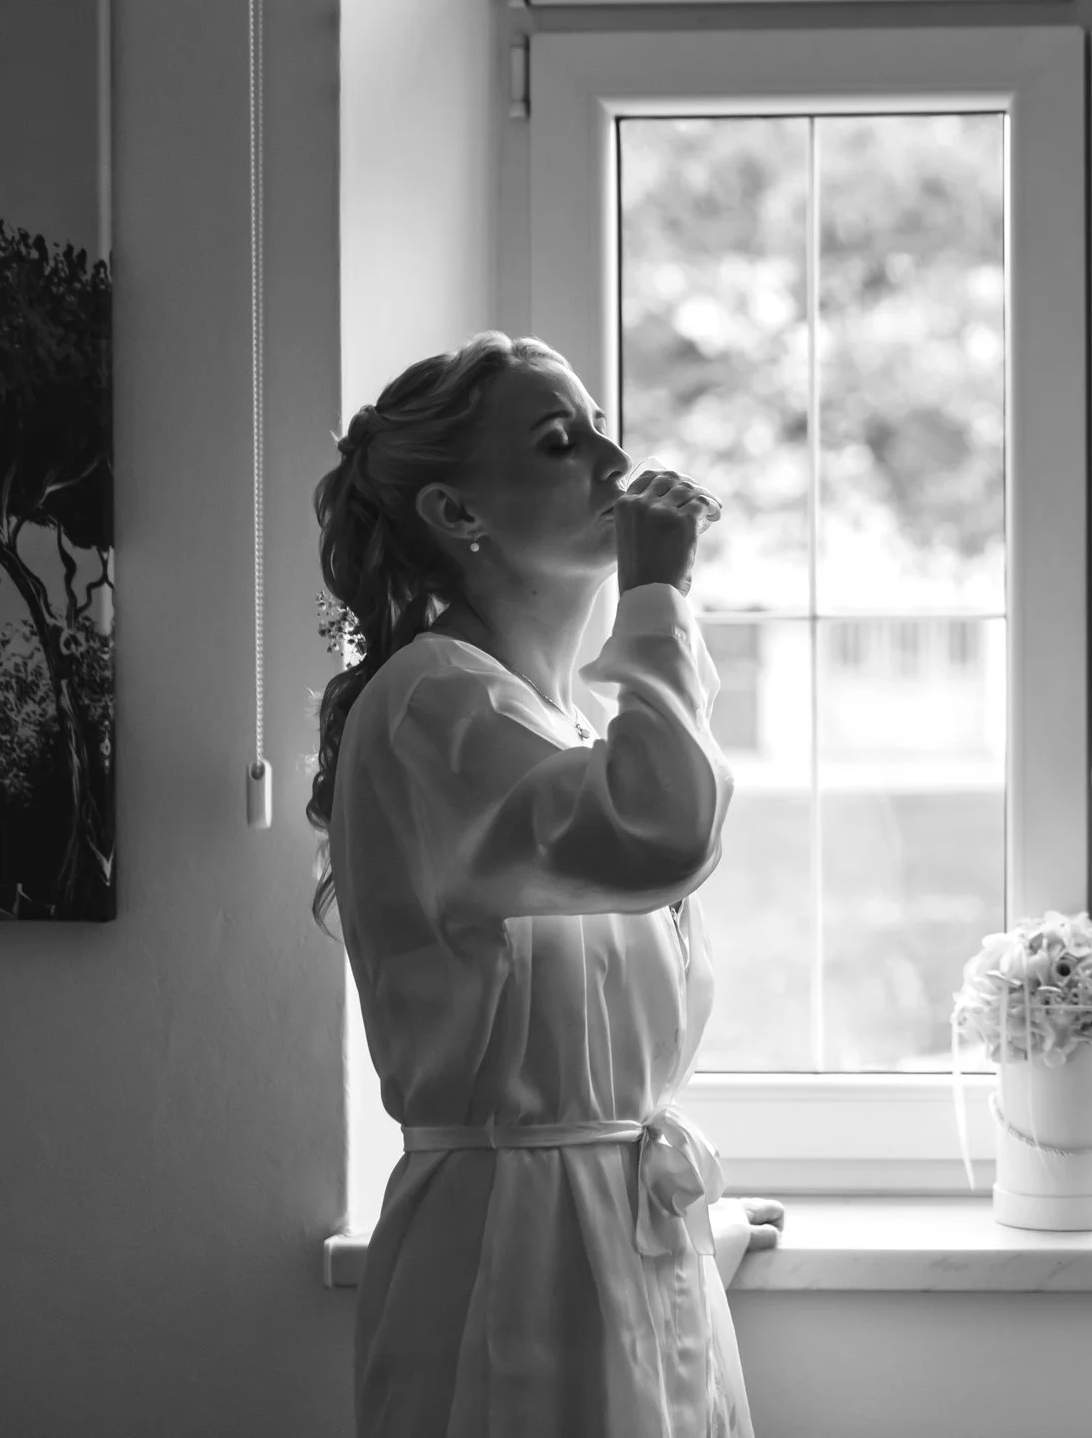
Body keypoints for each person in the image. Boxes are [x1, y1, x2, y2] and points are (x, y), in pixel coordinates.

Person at [309, 333, 781, 1437]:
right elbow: (660, 831)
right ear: (456, 514)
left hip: (615, 1249)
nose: (614, 457)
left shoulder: (551, 726)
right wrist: (657, 593)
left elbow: (591, 1057)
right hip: (511, 1266)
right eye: (562, 440)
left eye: (603, 422)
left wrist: (689, 1223)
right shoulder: (435, 705)